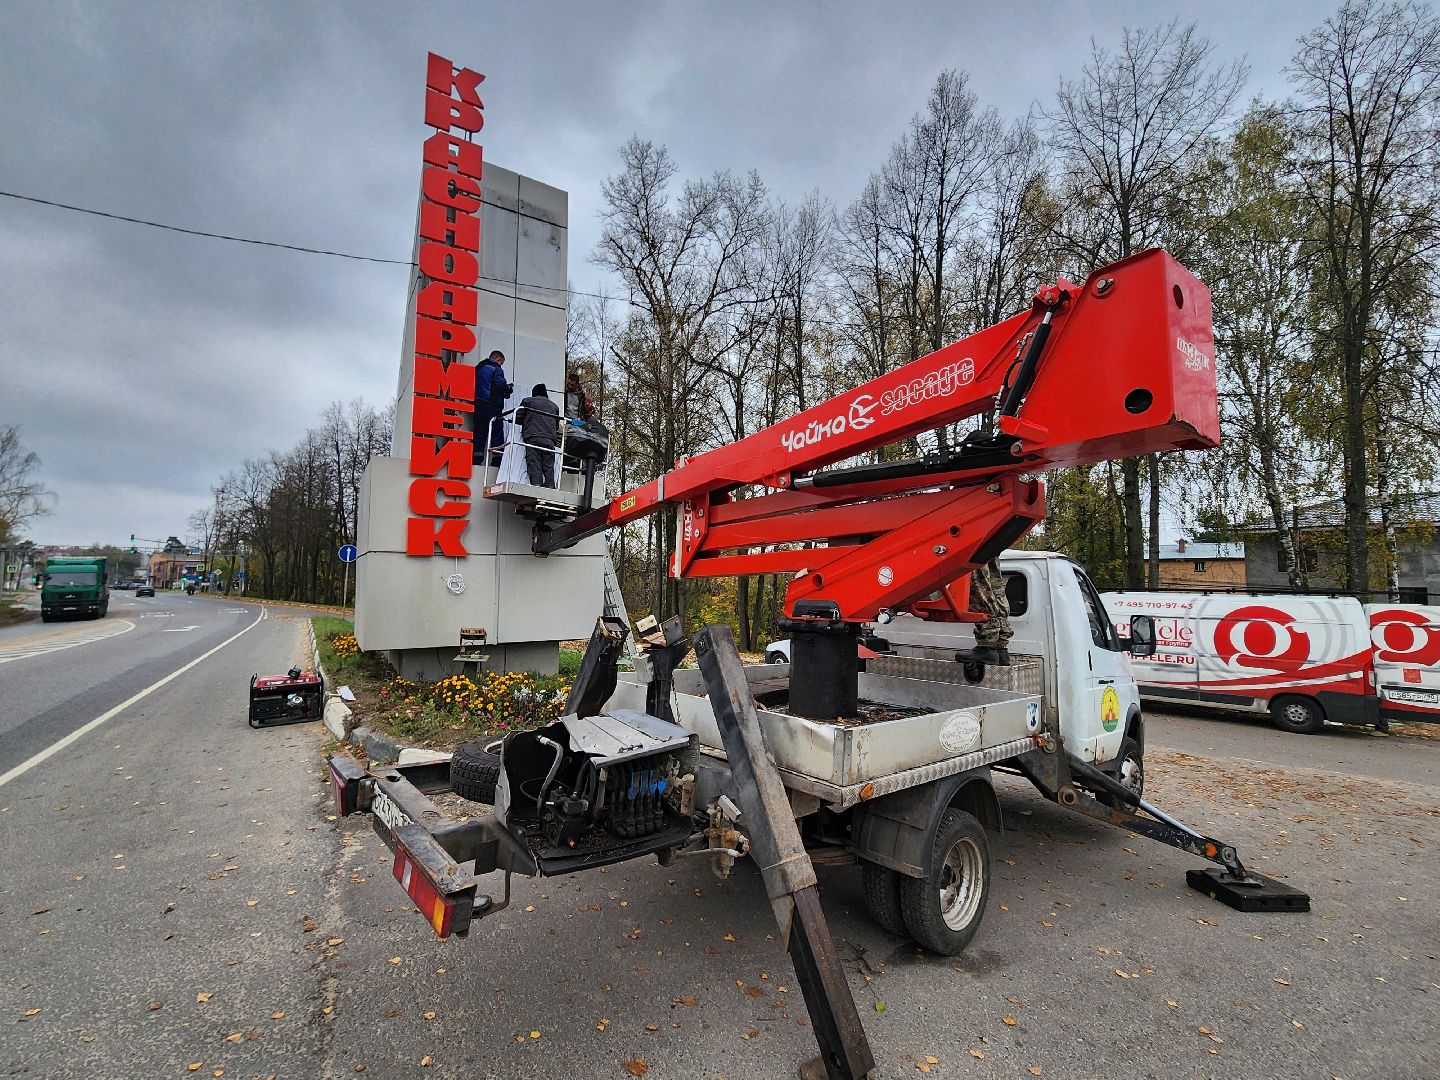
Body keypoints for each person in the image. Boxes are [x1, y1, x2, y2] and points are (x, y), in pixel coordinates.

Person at [959, 559, 1013, 665]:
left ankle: (987, 647)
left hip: (974, 544)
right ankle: (999, 648)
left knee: (978, 581)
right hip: (991, 542)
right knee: (994, 582)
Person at [473, 350, 512, 465]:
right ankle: (497, 460)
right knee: (496, 432)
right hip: (492, 405)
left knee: (480, 432)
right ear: (498, 359)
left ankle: (476, 460)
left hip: (478, 404)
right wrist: (509, 389)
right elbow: (501, 386)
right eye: (501, 362)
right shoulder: (496, 368)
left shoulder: (478, 368)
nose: (501, 365)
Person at [518, 383, 561, 487]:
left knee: (534, 463)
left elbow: (518, 417)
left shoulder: (528, 401)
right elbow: (556, 425)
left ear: (534, 393)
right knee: (548, 465)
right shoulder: (554, 407)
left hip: (533, 437)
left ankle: (537, 485)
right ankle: (550, 485)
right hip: (549, 440)